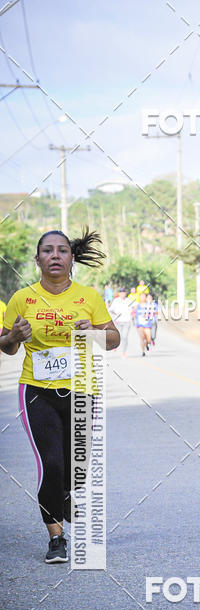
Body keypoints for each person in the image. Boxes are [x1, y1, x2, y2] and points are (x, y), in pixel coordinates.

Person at [0, 228, 120, 563]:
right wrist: (15, 336)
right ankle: (56, 537)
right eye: (48, 250)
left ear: (71, 258)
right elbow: (6, 347)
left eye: (62, 250)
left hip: (82, 390)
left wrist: (94, 331)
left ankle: (66, 492)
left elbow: (114, 339)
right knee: (51, 463)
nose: (55, 255)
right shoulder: (22, 299)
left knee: (77, 468)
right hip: (37, 390)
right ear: (37, 259)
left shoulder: (89, 297)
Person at [109, 287, 134, 358]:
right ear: (119, 294)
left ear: (125, 293)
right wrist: (116, 313)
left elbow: (133, 309)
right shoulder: (116, 301)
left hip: (127, 321)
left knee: (124, 337)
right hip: (118, 321)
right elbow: (110, 310)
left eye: (123, 293)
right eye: (121, 293)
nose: (122, 294)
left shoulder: (128, 300)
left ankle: (123, 352)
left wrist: (132, 316)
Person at [134, 291, 154, 356]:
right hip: (140, 324)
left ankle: (147, 344)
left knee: (148, 338)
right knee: (142, 337)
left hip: (147, 323)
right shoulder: (137, 306)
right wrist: (133, 315)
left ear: (146, 298)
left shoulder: (149, 305)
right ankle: (143, 351)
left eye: (143, 296)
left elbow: (153, 313)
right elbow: (133, 313)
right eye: (141, 296)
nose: (142, 298)